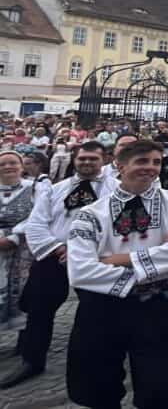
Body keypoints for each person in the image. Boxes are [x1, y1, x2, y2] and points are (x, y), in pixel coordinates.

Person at [65, 139, 168, 409]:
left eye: (156, 162)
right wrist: (153, 268)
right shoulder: (90, 214)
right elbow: (80, 271)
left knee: (157, 385)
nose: (150, 168)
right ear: (120, 166)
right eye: (142, 161)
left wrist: (118, 259)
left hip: (156, 308)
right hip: (103, 308)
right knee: (99, 386)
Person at [5, 142, 111, 389]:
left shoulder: (115, 190)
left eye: (92, 159)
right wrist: (58, 248)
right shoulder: (55, 189)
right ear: (74, 159)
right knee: (39, 308)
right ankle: (32, 359)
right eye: (82, 158)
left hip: (94, 259)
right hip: (54, 256)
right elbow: (37, 223)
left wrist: (81, 251)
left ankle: (91, 362)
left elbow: (115, 228)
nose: (86, 163)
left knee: (95, 313)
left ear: (103, 159)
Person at [0, 150, 33, 337]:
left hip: (24, 248)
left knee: (23, 292)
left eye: (12, 163)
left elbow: (38, 216)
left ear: (21, 166)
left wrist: (13, 237)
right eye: (2, 164)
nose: (7, 167)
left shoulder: (34, 188)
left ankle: (24, 342)